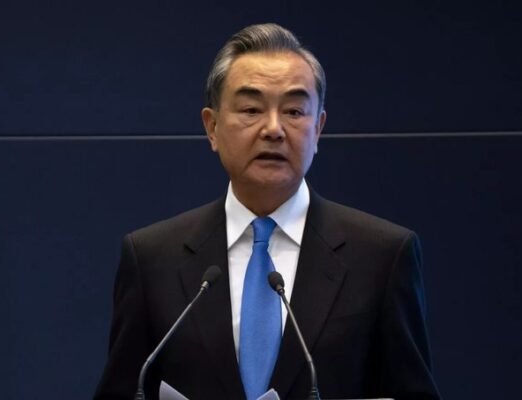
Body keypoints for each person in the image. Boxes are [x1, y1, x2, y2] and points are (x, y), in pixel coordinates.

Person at [94, 23, 440, 400]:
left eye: (294, 111)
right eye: (251, 109)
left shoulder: (382, 256)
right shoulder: (152, 258)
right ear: (212, 127)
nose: (274, 129)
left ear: (318, 128)